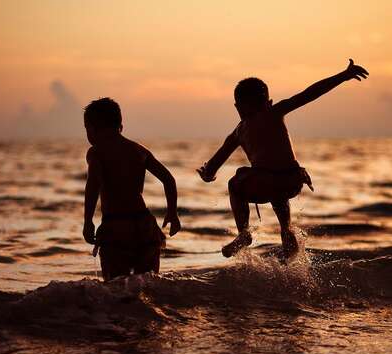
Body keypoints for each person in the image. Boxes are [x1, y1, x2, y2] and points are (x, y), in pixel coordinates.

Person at [197, 59, 369, 259]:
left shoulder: (239, 131)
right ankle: (287, 233)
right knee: (275, 190)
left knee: (236, 183)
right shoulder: (274, 112)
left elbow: (213, 166)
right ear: (267, 102)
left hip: (270, 181)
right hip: (291, 181)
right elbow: (309, 94)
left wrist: (207, 175)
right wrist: (344, 75)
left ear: (238, 107)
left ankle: (244, 234)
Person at [82, 97, 181, 280]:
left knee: (116, 289)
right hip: (145, 226)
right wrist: (172, 213)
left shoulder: (96, 152)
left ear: (93, 128)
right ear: (120, 125)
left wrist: (88, 221)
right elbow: (169, 179)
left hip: (116, 227)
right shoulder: (138, 150)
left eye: (86, 128)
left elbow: (93, 185)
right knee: (147, 286)